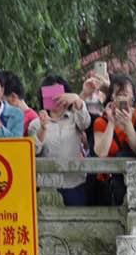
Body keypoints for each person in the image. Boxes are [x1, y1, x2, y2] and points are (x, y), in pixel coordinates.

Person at [30, 75, 92, 205]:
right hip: (47, 186)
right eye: (51, 95)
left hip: (74, 182)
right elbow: (33, 150)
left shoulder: (75, 118)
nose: (57, 99)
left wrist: (77, 99)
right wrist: (43, 128)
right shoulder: (35, 123)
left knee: (77, 222)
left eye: (59, 94)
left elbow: (85, 123)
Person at [90, 74, 136, 204]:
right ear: (112, 96)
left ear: (133, 97)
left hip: (133, 182)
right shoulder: (102, 121)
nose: (122, 97)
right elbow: (101, 153)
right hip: (108, 183)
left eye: (126, 93)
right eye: (118, 93)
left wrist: (128, 123)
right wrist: (111, 122)